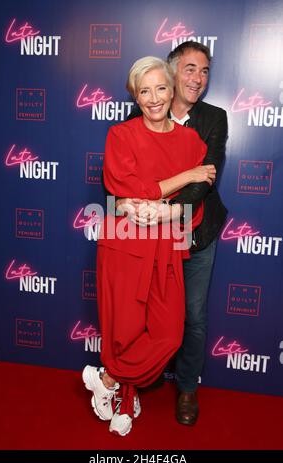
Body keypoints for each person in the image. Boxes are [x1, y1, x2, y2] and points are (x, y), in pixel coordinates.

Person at [82, 56, 216, 436]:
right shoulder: (120, 135)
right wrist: (189, 174)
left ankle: (106, 379)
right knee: (124, 331)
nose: (154, 98)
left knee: (167, 333)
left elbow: (193, 206)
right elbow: (127, 192)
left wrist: (163, 211)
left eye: (161, 88)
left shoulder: (190, 139)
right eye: (144, 91)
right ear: (135, 96)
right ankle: (124, 397)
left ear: (172, 90)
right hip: (125, 246)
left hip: (167, 249)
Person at [118, 41, 228, 426]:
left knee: (192, 317)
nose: (197, 78)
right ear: (171, 72)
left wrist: (161, 210)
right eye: (190, 69)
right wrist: (130, 204)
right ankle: (135, 382)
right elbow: (125, 181)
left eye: (204, 71)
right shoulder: (142, 113)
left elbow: (204, 180)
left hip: (193, 232)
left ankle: (186, 389)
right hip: (147, 240)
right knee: (145, 314)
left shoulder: (213, 119)